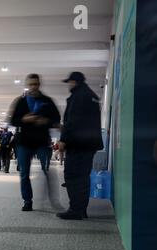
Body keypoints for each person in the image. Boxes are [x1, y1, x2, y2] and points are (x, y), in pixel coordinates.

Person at [9, 73, 61, 211]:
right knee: (24, 173)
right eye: (31, 84)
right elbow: (12, 120)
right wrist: (24, 120)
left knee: (47, 170)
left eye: (36, 84)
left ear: (39, 84)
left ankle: (53, 200)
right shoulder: (20, 101)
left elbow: (56, 118)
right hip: (24, 143)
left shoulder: (48, 101)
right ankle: (27, 201)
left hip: (42, 142)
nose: (33, 87)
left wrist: (46, 121)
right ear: (27, 85)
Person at [57, 72, 103, 220]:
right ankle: (81, 209)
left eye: (69, 82)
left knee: (72, 176)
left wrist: (63, 139)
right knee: (83, 177)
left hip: (78, 144)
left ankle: (75, 210)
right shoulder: (91, 95)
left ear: (75, 82)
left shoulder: (79, 96)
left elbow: (73, 120)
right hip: (89, 144)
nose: (69, 85)